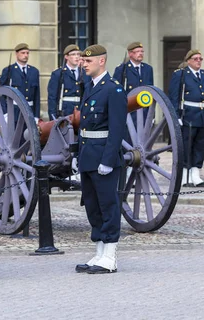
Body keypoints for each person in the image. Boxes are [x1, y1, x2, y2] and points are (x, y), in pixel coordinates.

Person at [75, 44, 127, 274]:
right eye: (83, 61)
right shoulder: (91, 87)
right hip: (88, 154)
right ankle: (99, 252)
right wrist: (78, 154)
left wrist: (107, 160)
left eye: (88, 61)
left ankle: (110, 256)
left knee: (108, 205)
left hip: (103, 156)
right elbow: (83, 126)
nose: (83, 64)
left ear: (101, 61)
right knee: (92, 206)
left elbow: (116, 130)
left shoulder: (113, 89)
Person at [168, 49, 204, 186]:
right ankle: (184, 175)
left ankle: (195, 175)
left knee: (200, 146)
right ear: (188, 60)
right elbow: (174, 96)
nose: (198, 61)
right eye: (195, 59)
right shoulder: (181, 74)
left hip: (201, 115)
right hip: (188, 115)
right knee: (186, 146)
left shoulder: (203, 75)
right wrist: (176, 116)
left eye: (200, 59)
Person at [113, 42, 154, 126]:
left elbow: (151, 91)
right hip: (129, 111)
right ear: (130, 54)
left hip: (144, 111)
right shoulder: (121, 69)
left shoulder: (148, 69)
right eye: (138, 51)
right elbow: (116, 92)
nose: (140, 54)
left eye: (142, 51)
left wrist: (152, 114)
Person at [0, 43, 40, 121]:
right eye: (23, 53)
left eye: (27, 53)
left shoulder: (34, 71)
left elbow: (37, 96)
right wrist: (5, 114)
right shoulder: (9, 70)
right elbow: (1, 94)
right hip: (14, 111)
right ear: (16, 54)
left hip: (30, 111)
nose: (26, 55)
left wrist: (36, 116)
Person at [47, 44, 90, 120]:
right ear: (66, 57)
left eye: (78, 54)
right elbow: (52, 98)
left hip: (81, 111)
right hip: (65, 112)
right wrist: (53, 117)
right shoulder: (58, 74)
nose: (77, 57)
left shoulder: (85, 73)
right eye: (73, 54)